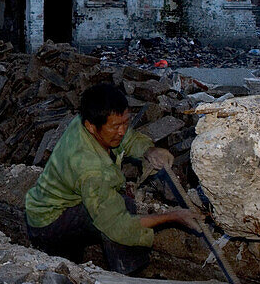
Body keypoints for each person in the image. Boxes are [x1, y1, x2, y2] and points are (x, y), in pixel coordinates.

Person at [24, 82, 200, 272]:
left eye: (126, 122)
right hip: (48, 224)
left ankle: (75, 261)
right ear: (91, 126)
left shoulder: (90, 119)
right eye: (116, 126)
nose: (122, 131)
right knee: (121, 208)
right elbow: (118, 225)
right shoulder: (92, 170)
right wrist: (172, 216)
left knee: (112, 207)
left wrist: (149, 151)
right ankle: (127, 276)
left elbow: (127, 138)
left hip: (57, 204)